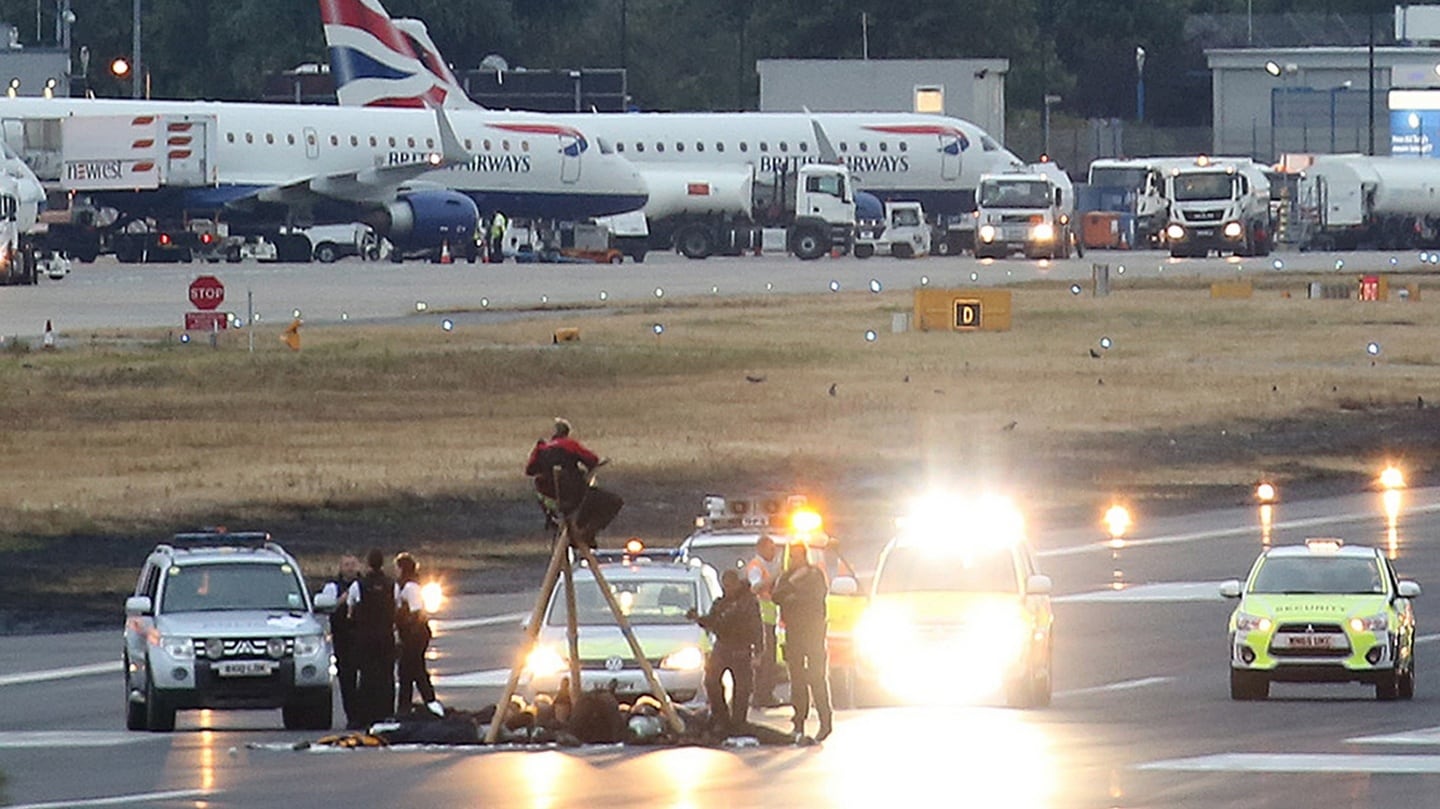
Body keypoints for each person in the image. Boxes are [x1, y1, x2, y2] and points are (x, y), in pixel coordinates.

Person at [687, 568, 763, 735]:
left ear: (736, 584)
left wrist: (758, 651)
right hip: (723, 646)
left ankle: (738, 722)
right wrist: (698, 618)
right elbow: (713, 622)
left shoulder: (748, 602)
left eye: (730, 586)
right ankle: (721, 718)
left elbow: (757, 627)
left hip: (741, 648)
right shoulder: (720, 604)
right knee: (711, 681)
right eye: (725, 586)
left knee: (742, 688)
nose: (728, 589)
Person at [772, 542, 832, 741]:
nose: (794, 560)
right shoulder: (787, 576)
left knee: (816, 677)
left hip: (813, 632)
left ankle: (825, 721)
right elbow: (777, 596)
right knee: (797, 679)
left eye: (797, 556)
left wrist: (794, 595)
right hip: (794, 633)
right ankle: (799, 722)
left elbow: (814, 598)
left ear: (804, 556)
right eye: (792, 556)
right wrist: (792, 587)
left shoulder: (815, 575)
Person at [346, 548, 396, 727]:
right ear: (382, 563)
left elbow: (350, 613)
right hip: (385, 636)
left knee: (366, 676)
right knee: (386, 676)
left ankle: (365, 716)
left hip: (365, 637)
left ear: (367, 564)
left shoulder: (358, 586)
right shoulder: (392, 585)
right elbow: (396, 609)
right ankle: (387, 713)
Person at [524, 418, 603, 526]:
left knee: (539, 484)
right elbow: (593, 460)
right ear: (567, 433)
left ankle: (550, 515)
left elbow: (529, 470)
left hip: (550, 495)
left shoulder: (541, 448)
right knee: (592, 488)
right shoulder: (570, 445)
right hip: (572, 492)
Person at [393, 553, 444, 717]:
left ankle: (426, 703)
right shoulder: (402, 586)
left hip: (416, 635)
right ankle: (410, 706)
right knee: (410, 671)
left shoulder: (410, 587)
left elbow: (416, 612)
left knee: (413, 670)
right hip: (409, 634)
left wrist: (407, 632)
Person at [320, 554, 362, 728]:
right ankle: (352, 717)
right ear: (340, 567)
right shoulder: (332, 587)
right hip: (343, 639)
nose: (350, 568)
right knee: (346, 679)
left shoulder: (365, 585)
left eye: (353, 564)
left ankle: (367, 714)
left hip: (363, 638)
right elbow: (326, 608)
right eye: (346, 564)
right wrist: (340, 601)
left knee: (368, 679)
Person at [744, 535, 783, 707]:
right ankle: (761, 695)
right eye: (771, 548)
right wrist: (774, 576)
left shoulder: (768, 565)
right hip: (761, 620)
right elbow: (755, 587)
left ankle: (767, 694)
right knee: (764, 659)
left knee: (770, 659)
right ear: (761, 548)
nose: (774, 551)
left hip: (770, 619)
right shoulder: (756, 567)